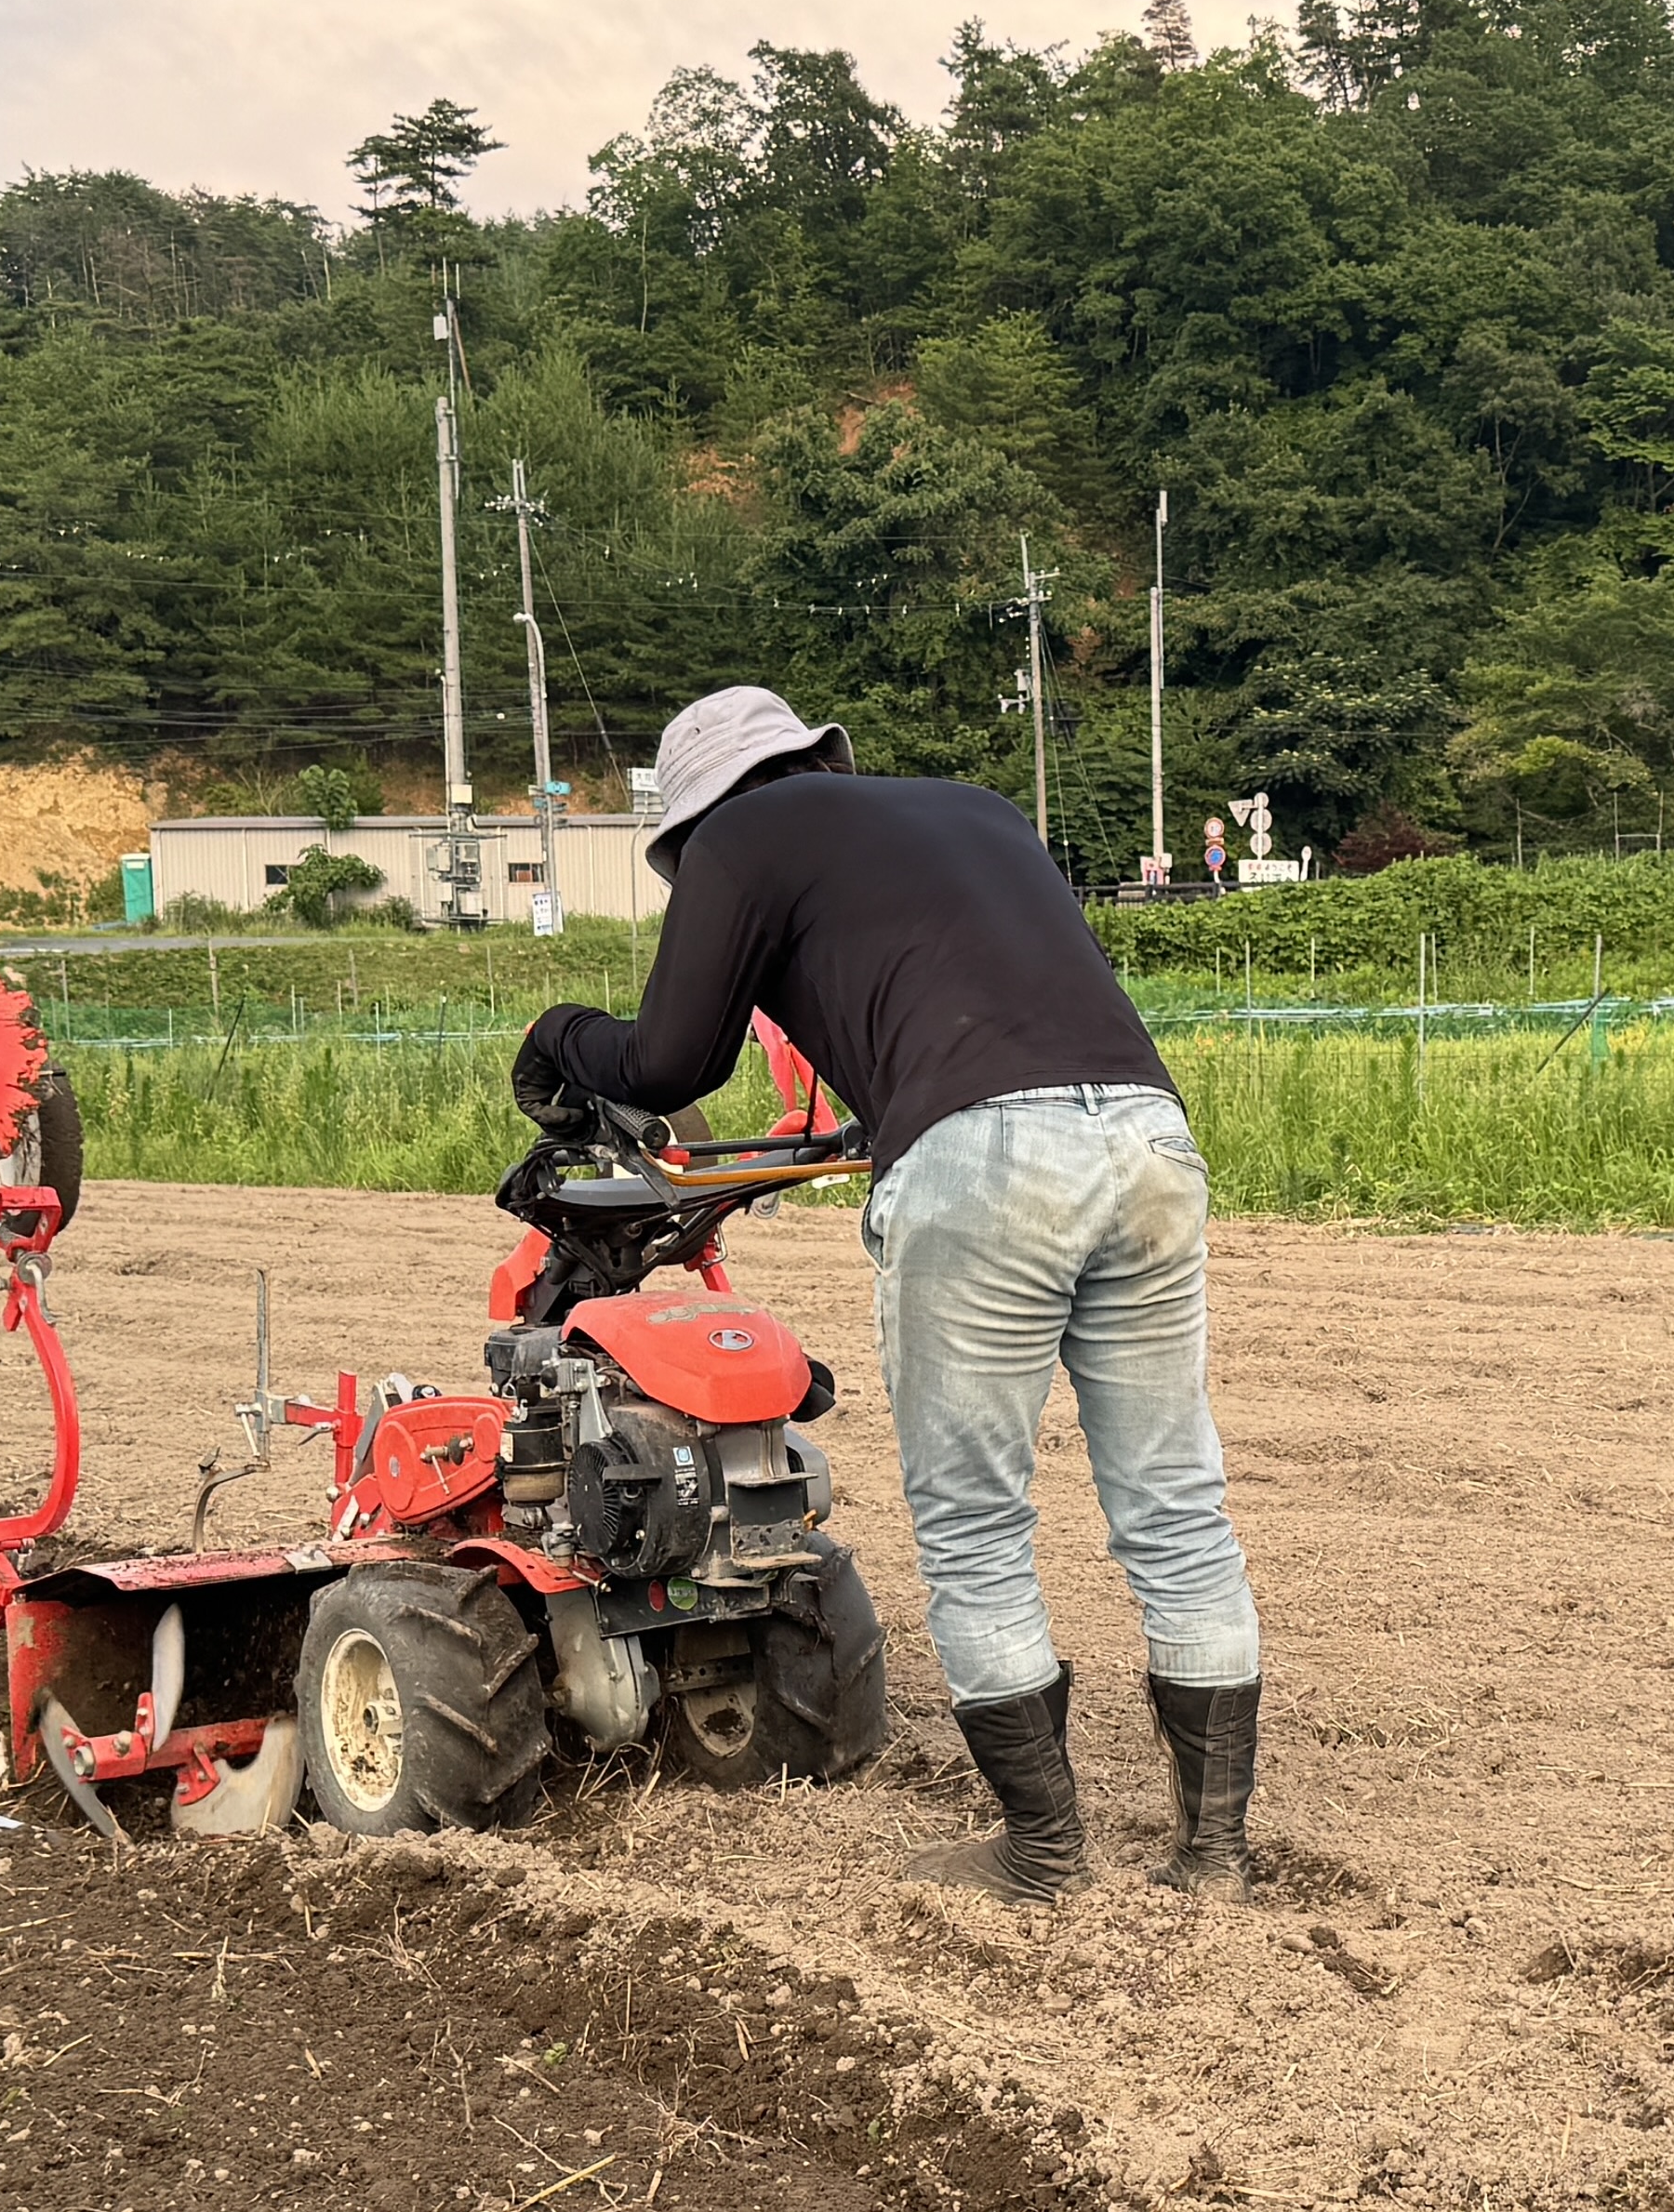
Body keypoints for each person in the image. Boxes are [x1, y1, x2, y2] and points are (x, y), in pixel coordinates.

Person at [512, 686, 1262, 1902]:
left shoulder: (740, 838)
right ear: (815, 757)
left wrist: (558, 1034)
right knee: (1174, 1503)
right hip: (1146, 1136)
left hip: (984, 1163)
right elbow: (986, 999)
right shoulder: (978, 810)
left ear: (697, 816)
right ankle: (1215, 1852)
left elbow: (669, 1059)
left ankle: (1043, 1851)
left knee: (974, 1523)